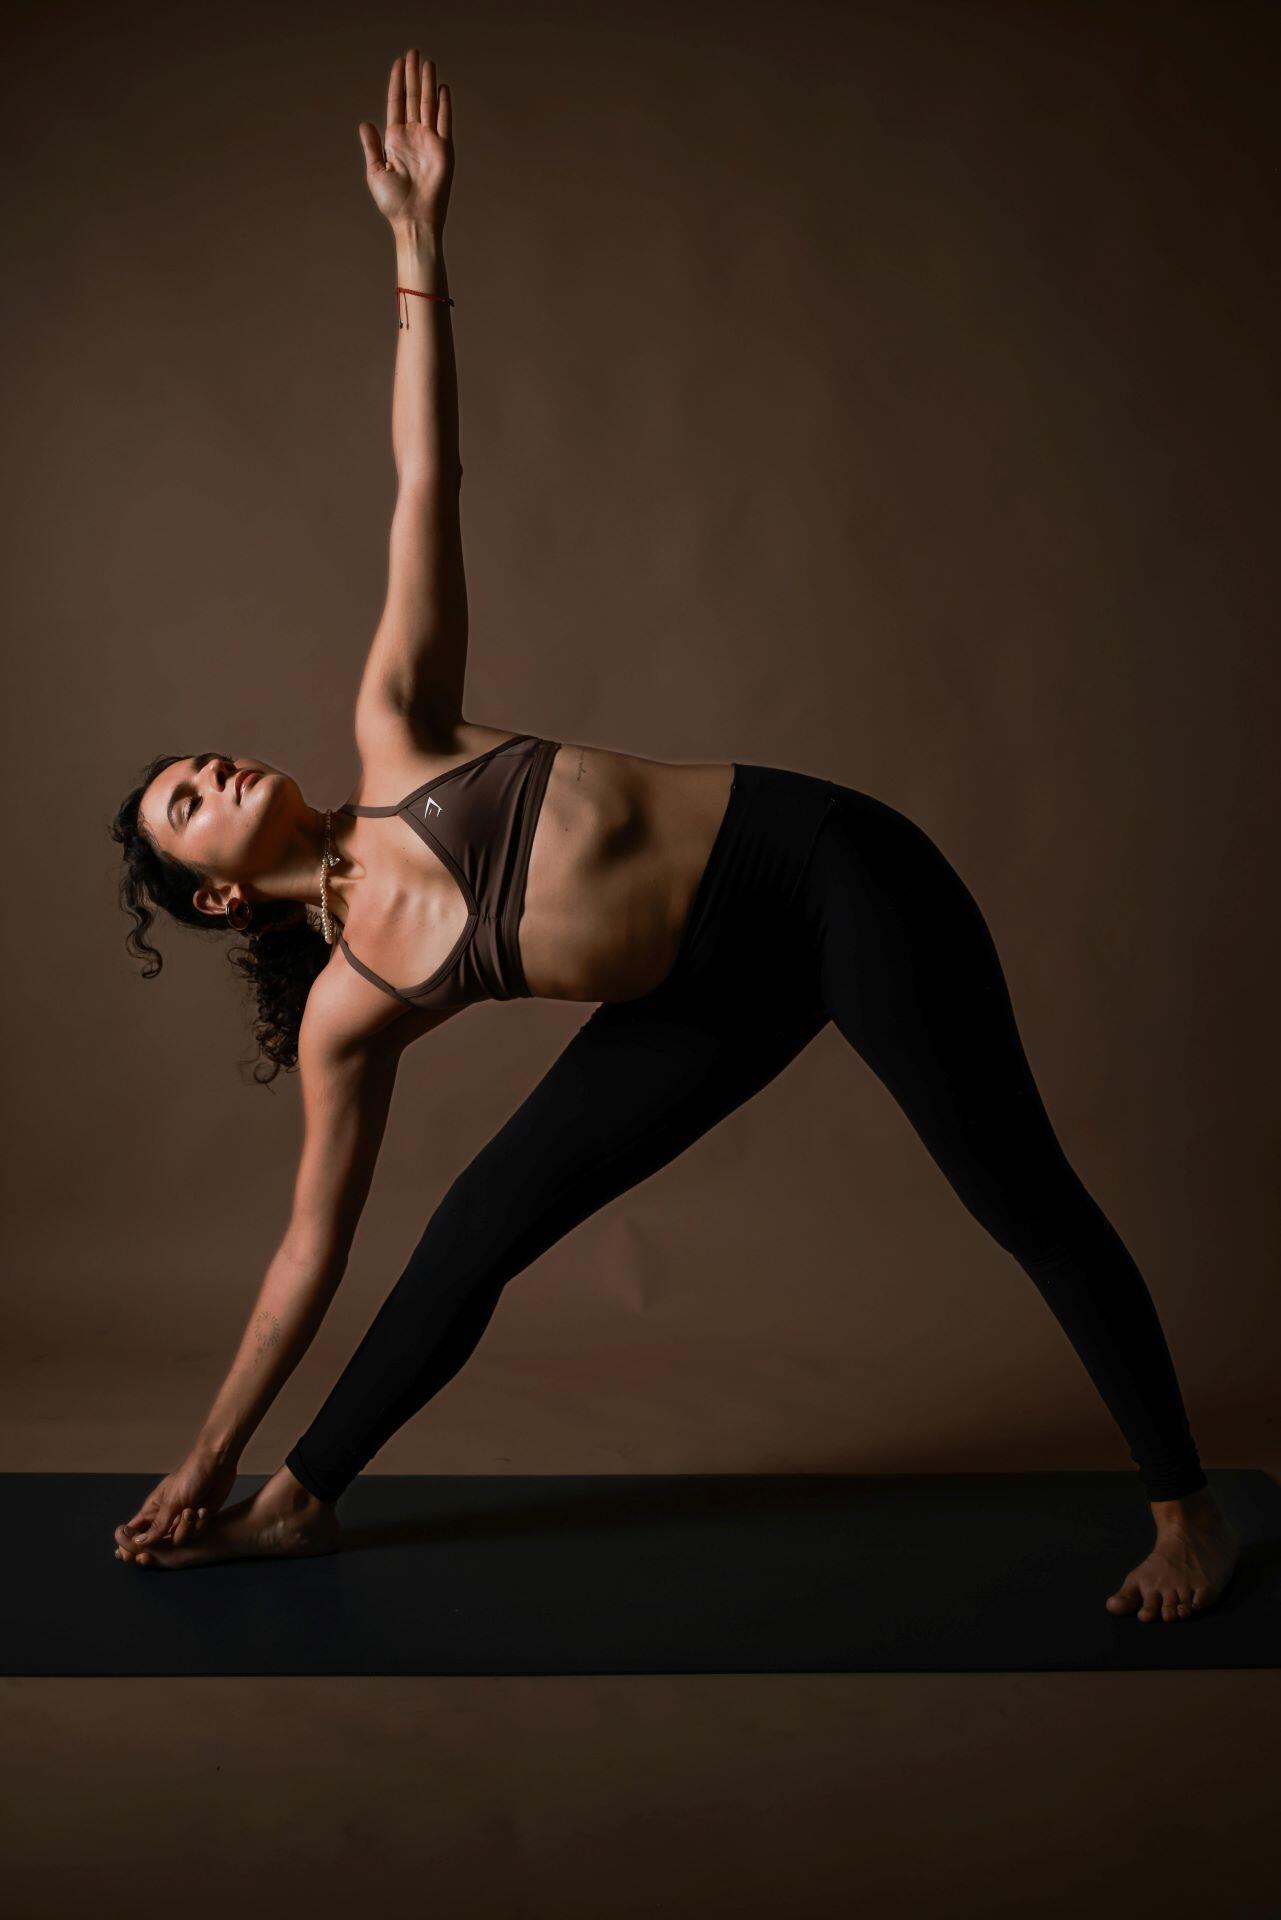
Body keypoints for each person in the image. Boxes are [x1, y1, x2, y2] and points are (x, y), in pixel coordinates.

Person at [107, 50, 1238, 1623]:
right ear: (221, 895)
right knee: (477, 1230)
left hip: (829, 875)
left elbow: (422, 474)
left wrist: (415, 241)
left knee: (1010, 1184)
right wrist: (208, 1454)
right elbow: (310, 1253)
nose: (214, 770)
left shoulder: (399, 732)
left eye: (204, 762)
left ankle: (1185, 1511)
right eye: (186, 801)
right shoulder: (350, 1016)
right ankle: (295, 1505)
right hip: (708, 990)